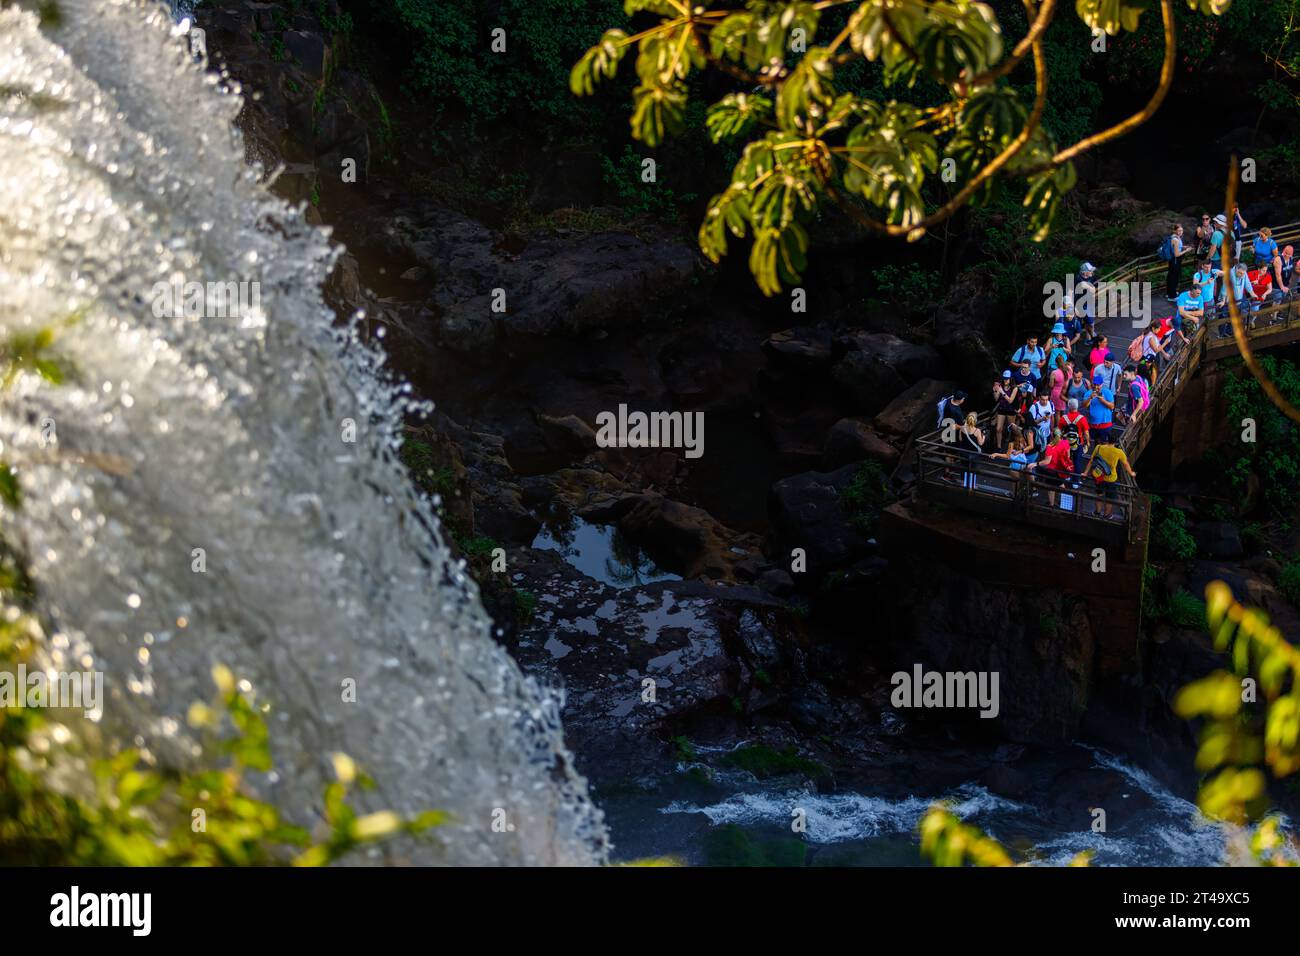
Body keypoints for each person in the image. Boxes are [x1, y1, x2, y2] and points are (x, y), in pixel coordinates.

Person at [1083, 435, 1136, 519]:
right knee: (1109, 497)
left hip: (1099, 477)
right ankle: (1106, 515)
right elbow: (1126, 464)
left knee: (1099, 495)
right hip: (1111, 479)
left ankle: (1097, 512)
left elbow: (1091, 461)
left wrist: (1085, 472)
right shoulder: (1119, 452)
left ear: (1107, 440)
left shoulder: (1099, 447)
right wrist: (1131, 473)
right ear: (1115, 442)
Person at [1060, 397, 1091, 476]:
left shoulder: (1064, 418)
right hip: (1078, 442)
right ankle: (1076, 481)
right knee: (1077, 461)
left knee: (1066, 460)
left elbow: (1059, 431)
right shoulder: (1082, 419)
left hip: (1065, 443)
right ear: (1077, 407)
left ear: (1068, 406)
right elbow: (1086, 433)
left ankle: (1066, 476)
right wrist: (1087, 442)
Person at [1082, 370, 1115, 444]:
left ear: (1102, 384)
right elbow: (1084, 405)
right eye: (1095, 384)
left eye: (1098, 385)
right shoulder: (1088, 393)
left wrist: (1103, 400)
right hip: (1093, 424)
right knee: (1096, 443)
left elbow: (1112, 407)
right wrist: (1090, 398)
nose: (1096, 387)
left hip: (1105, 424)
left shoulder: (1107, 392)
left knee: (1105, 444)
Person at [992, 372, 1019, 451]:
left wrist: (1002, 392)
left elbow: (1010, 400)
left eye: (1007, 379)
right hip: (1002, 409)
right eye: (1004, 379)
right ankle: (999, 446)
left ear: (1011, 379)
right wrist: (995, 391)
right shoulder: (1001, 386)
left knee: (1011, 428)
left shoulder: (1014, 388)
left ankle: (1013, 444)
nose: (1005, 380)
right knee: (998, 429)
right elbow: (996, 399)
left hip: (1011, 410)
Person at [958, 412, 985, 489]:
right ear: (975, 421)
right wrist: (984, 438)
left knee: (963, 467)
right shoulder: (977, 431)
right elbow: (980, 443)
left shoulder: (962, 428)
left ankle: (963, 483)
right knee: (973, 469)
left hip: (964, 452)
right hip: (973, 454)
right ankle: (972, 484)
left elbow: (960, 439)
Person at [1163, 223, 1185, 300]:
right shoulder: (1175, 239)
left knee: (1171, 276)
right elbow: (1177, 254)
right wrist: (1186, 251)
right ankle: (1172, 296)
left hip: (1172, 260)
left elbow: (1178, 247)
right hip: (1175, 260)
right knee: (1174, 277)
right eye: (1179, 230)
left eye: (1181, 230)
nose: (1180, 232)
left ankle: (1170, 293)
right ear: (1175, 230)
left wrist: (1184, 247)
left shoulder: (1175, 237)